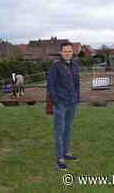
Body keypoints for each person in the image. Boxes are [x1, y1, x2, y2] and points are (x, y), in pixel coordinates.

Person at [47, 42, 80, 170]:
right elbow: (51, 85)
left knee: (68, 129)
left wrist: (77, 98)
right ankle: (59, 158)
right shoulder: (55, 66)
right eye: (65, 51)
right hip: (61, 104)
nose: (67, 53)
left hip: (72, 103)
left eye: (69, 51)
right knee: (59, 131)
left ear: (72, 52)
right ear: (61, 52)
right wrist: (56, 101)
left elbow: (76, 84)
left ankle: (66, 153)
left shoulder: (75, 65)